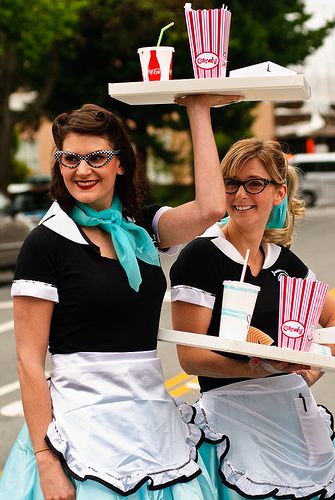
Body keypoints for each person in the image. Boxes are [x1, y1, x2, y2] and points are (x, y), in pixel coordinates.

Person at [0, 94, 241, 500]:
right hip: (82, 426)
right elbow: (28, 360)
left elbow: (212, 208)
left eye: (96, 157)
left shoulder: (142, 227)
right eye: (69, 158)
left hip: (150, 416)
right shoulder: (46, 243)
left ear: (121, 162)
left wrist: (197, 109)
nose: (82, 170)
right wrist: (44, 457)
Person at [170, 138, 335, 499]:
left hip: (295, 416)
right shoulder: (201, 256)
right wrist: (265, 368)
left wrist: (313, 364)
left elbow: (332, 316)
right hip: (235, 417)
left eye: (254, 183)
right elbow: (190, 357)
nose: (240, 193)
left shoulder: (284, 262)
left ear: (279, 192)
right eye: (230, 182)